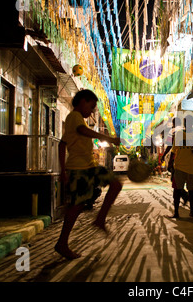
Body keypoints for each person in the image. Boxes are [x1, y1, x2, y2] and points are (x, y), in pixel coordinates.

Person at [55, 89, 122, 259]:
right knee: (76, 206)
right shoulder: (75, 117)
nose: (92, 111)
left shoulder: (75, 121)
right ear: (82, 102)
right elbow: (83, 131)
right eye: (91, 107)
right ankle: (62, 243)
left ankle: (100, 219)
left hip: (88, 167)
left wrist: (62, 170)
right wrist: (109, 138)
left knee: (115, 185)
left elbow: (62, 145)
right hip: (79, 170)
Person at [170, 115, 193, 218]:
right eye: (186, 122)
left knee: (192, 191)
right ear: (184, 124)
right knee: (177, 190)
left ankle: (192, 211)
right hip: (179, 166)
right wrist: (170, 163)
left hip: (192, 167)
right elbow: (174, 150)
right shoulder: (179, 134)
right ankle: (176, 212)